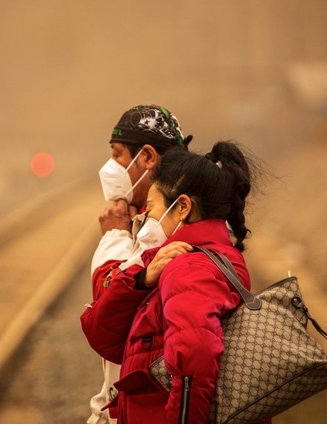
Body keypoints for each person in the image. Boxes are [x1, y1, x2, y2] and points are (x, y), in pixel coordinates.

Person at [81, 141, 271, 423]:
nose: (146, 217)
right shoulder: (210, 255)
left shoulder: (188, 267)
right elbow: (104, 335)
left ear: (182, 207)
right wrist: (142, 280)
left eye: (153, 206)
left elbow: (195, 356)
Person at [88, 104, 193, 424]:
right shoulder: (152, 217)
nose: (110, 166)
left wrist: (114, 236)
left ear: (147, 157)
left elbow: (107, 307)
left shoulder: (168, 226)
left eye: (118, 154)